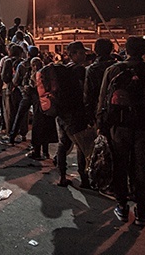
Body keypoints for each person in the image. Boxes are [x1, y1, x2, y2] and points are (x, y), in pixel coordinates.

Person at [97, 36, 145, 225]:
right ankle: (141, 210)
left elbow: (103, 99)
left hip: (119, 125)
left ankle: (122, 206)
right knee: (141, 167)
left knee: (120, 165)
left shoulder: (114, 70)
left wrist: (101, 124)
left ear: (126, 49)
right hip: (144, 127)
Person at [55, 41, 96, 188]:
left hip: (62, 114)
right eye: (81, 52)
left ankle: (62, 176)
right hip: (75, 114)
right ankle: (84, 179)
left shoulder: (64, 69)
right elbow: (84, 93)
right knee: (82, 147)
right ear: (73, 54)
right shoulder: (80, 70)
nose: (85, 55)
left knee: (63, 144)